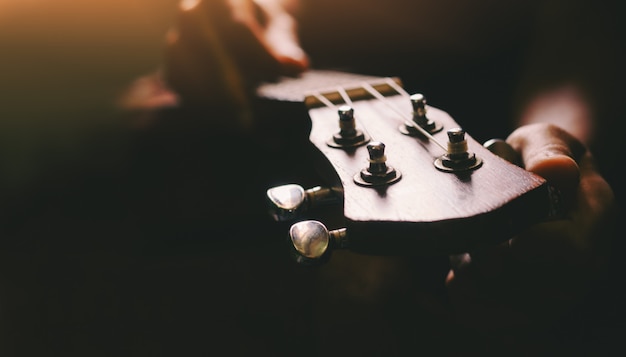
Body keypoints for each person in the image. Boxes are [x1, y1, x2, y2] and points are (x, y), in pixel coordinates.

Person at [119, 0, 623, 354]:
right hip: (302, 69)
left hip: (467, 81)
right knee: (135, 131)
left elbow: (578, 37)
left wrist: (555, 160)